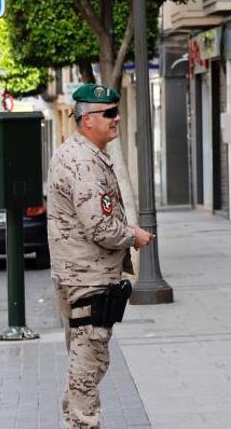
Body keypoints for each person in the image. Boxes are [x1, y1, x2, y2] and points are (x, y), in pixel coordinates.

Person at [47, 83, 155, 428]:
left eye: (116, 111)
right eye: (109, 113)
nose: (117, 118)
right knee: (89, 359)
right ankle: (82, 423)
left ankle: (75, 418)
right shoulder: (82, 162)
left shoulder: (79, 154)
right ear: (87, 119)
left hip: (78, 273)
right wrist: (133, 236)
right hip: (87, 277)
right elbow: (101, 228)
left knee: (86, 356)